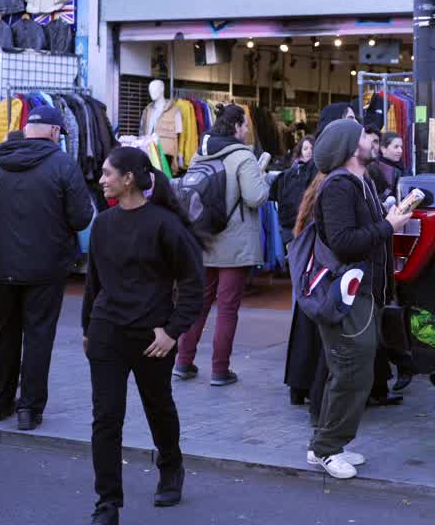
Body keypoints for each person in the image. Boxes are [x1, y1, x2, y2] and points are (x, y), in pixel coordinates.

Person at [83, 147, 204, 525]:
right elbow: (94, 281)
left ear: (128, 178)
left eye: (107, 173)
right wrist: (88, 327)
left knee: (158, 407)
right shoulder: (102, 223)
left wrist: (173, 332)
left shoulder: (165, 225)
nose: (101, 180)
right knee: (106, 417)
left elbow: (193, 284)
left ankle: (171, 466)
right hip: (107, 333)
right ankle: (107, 503)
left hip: (153, 338)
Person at [0, 105, 94, 430]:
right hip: (47, 266)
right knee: (38, 336)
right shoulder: (62, 164)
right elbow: (81, 217)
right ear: (52, 131)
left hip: (1, 264)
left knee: (2, 333)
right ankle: (29, 410)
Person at [295, 118, 412, 479]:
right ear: (350, 147)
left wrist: (390, 220)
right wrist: (387, 226)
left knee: (348, 372)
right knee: (351, 373)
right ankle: (328, 449)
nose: (371, 140)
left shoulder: (360, 182)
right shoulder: (340, 187)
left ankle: (325, 444)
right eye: (363, 136)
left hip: (361, 292)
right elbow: (345, 242)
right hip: (349, 294)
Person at [173, 104, 269, 387]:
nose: (248, 130)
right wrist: (262, 179)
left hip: (202, 239)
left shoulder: (198, 154)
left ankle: (183, 362)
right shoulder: (243, 157)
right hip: (235, 244)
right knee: (227, 309)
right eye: (245, 125)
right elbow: (255, 198)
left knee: (197, 305)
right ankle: (219, 370)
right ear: (236, 126)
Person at [283, 103, 356, 407]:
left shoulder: (329, 165)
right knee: (318, 327)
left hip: (316, 261)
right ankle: (313, 394)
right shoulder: (329, 168)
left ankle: (302, 386)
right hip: (322, 263)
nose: (357, 125)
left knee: (310, 325)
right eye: (350, 120)